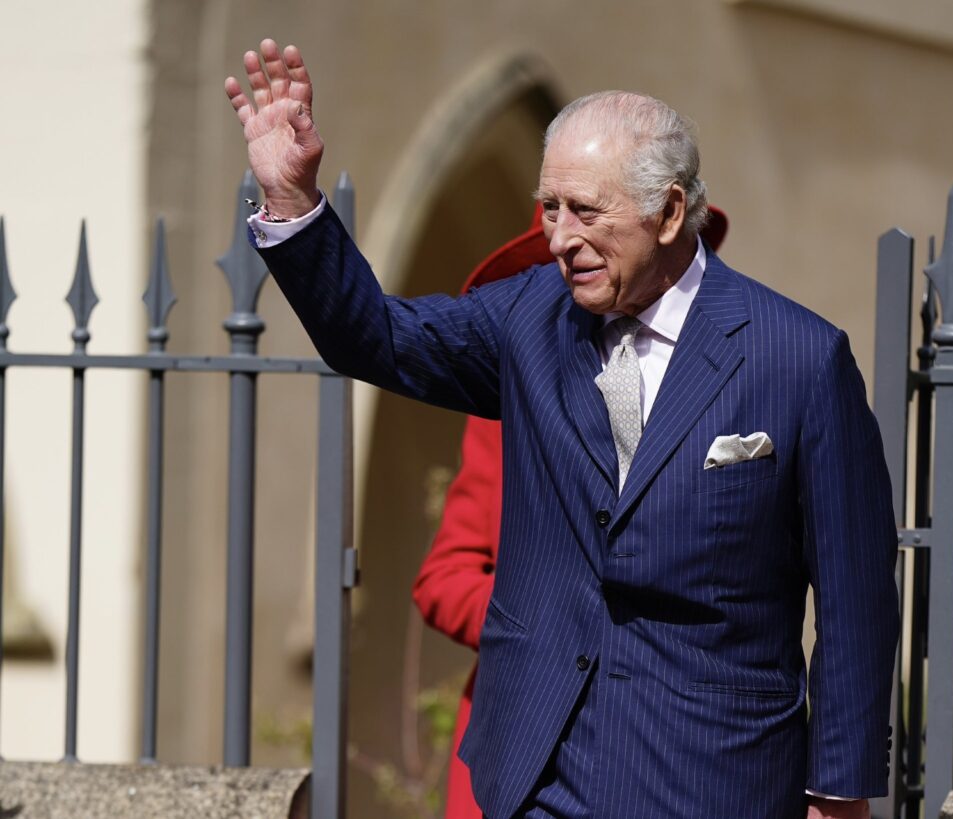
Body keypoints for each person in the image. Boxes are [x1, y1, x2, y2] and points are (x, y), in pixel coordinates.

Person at [226, 39, 898, 819]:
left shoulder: (798, 358)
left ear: (668, 212)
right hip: (538, 775)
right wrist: (292, 202)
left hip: (714, 780)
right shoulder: (528, 319)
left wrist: (837, 793)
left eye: (585, 210)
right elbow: (377, 336)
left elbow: (855, 595)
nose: (557, 236)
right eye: (550, 208)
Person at [412, 203, 728, 819]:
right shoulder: (506, 409)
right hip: (525, 735)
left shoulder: (717, 383)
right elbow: (444, 578)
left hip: (675, 741)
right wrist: (544, 620)